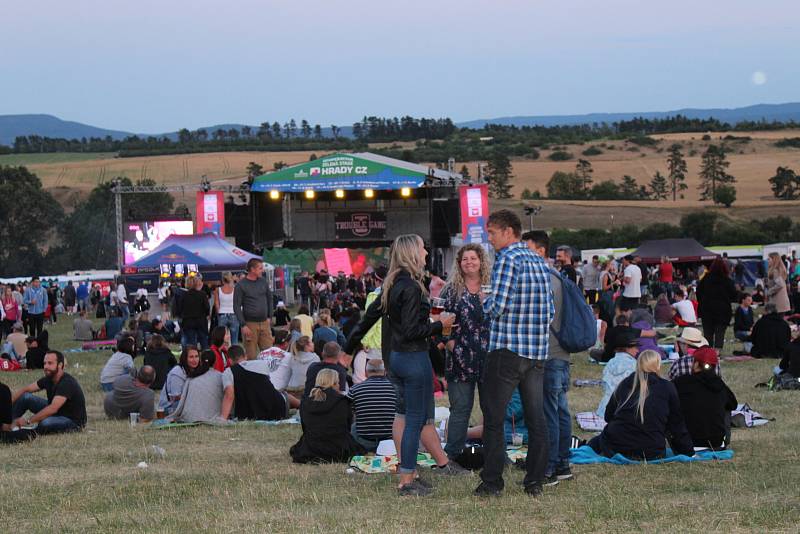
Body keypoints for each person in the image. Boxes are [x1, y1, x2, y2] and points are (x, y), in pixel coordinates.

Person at [476, 210, 553, 499]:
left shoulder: (507, 258)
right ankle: (534, 481)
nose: (490, 239)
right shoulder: (540, 261)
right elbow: (550, 311)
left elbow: (499, 305)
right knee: (537, 419)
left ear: (508, 232)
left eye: (492, 233)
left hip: (507, 350)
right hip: (535, 353)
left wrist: (484, 303)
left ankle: (493, 482)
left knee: (494, 418)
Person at [523, 230, 573, 484]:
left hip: (548, 353)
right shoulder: (558, 276)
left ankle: (550, 467)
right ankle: (563, 464)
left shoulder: (542, 278)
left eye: (526, 248)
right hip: (561, 353)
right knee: (561, 410)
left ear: (540, 251)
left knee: (548, 413)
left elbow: (539, 319)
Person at [588, 350, 694, 460]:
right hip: (652, 452)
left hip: (615, 448)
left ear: (638, 364)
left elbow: (608, 416)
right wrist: (688, 451)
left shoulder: (625, 383)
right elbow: (677, 425)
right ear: (658, 365)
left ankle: (582, 446)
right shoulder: (667, 387)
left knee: (600, 439)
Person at [439, 243, 491, 462]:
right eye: (465, 259)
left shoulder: (492, 287)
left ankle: (495, 453)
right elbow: (441, 323)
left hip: (490, 358)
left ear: (481, 261)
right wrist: (452, 346)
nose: (469, 262)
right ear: (459, 264)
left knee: (493, 410)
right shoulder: (451, 290)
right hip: (459, 359)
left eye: (473, 258)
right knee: (460, 409)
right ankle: (453, 457)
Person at [289, 369, 366, 463]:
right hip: (339, 450)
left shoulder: (305, 403)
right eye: (338, 383)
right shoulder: (343, 401)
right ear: (333, 384)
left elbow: (306, 429)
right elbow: (347, 428)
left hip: (311, 450)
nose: (339, 385)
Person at [674, 348, 737, 449]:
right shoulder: (719, 385)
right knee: (726, 406)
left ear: (696, 364)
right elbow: (733, 404)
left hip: (685, 442)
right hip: (716, 442)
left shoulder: (680, 382)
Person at [11, 350, 87, 434]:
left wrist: (28, 421)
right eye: (45, 363)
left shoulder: (67, 383)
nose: (46, 366)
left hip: (72, 421)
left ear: (60, 365)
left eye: (50, 363)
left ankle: (28, 429)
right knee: (26, 397)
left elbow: (53, 409)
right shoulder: (49, 378)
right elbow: (26, 389)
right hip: (56, 412)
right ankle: (7, 424)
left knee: (45, 423)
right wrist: (6, 405)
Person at [220, 345, 297, 421]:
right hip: (278, 410)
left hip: (249, 415)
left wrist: (223, 419)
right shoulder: (261, 364)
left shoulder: (229, 372)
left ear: (229, 360)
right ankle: (302, 406)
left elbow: (229, 395)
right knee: (285, 395)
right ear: (245, 356)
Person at [347, 359, 397, 452]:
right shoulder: (396, 389)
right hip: (390, 442)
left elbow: (349, 414)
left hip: (364, 441)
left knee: (354, 425)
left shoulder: (355, 389)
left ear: (366, 372)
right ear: (384, 371)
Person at [165, 351, 225, 424]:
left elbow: (182, 402)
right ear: (215, 362)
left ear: (201, 361)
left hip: (190, 418)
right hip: (212, 416)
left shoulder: (192, 376)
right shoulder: (221, 376)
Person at [234, 258, 274, 359]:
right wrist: (243, 325)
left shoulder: (263, 282)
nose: (262, 270)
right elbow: (236, 306)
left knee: (269, 354)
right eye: (260, 268)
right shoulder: (241, 285)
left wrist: (269, 317)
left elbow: (270, 299)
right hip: (250, 324)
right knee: (251, 355)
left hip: (264, 323)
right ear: (252, 269)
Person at [696, 257, 738, 350]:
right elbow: (734, 295)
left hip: (707, 310)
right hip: (722, 311)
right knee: (720, 332)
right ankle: (717, 352)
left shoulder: (705, 279)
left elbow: (698, 292)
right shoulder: (727, 280)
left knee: (708, 332)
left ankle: (708, 351)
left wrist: (702, 302)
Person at [596, 331, 640, 417]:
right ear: (627, 348)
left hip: (604, 409)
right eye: (635, 347)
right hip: (625, 410)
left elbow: (604, 385)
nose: (638, 350)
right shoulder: (635, 365)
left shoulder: (610, 363)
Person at [158, 346, 199, 416]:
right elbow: (175, 397)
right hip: (169, 408)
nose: (195, 360)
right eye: (191, 357)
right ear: (185, 358)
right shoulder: (177, 373)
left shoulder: (195, 370)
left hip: (185, 404)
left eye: (196, 356)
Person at [181, 276, 210, 350]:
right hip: (201, 321)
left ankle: (193, 357)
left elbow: (180, 309)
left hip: (188, 322)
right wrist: (206, 314)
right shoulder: (202, 294)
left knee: (191, 344)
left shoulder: (183, 295)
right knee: (204, 342)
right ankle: (206, 358)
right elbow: (207, 307)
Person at [214, 272, 239, 345]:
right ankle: (235, 354)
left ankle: (223, 354)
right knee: (234, 339)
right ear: (230, 278)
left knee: (222, 339)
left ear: (222, 279)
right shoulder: (235, 289)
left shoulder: (218, 290)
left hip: (222, 314)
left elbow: (216, 303)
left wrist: (218, 313)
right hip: (233, 314)